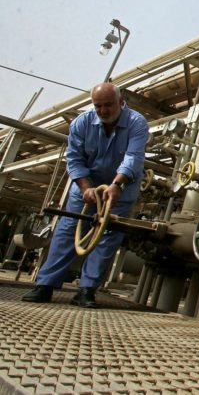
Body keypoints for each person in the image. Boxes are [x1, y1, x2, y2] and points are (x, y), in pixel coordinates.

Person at [23, 83, 148, 307]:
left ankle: (87, 290)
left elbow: (134, 158)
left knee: (108, 235)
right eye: (98, 105)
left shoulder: (136, 122)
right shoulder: (81, 123)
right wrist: (85, 187)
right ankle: (45, 286)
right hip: (86, 186)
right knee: (67, 231)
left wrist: (117, 185)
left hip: (121, 189)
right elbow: (74, 159)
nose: (103, 110)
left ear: (120, 102)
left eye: (108, 105)